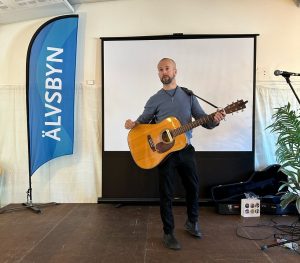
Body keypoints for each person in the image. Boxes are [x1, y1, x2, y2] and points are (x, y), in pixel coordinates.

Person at [124, 58, 225, 250]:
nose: (164, 72)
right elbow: (142, 123)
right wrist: (132, 124)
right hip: (164, 153)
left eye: (167, 68)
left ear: (175, 71)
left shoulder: (188, 96)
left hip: (185, 149)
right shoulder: (154, 99)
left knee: (193, 187)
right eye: (161, 69)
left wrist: (216, 119)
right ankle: (168, 232)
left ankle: (192, 222)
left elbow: (204, 120)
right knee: (166, 194)